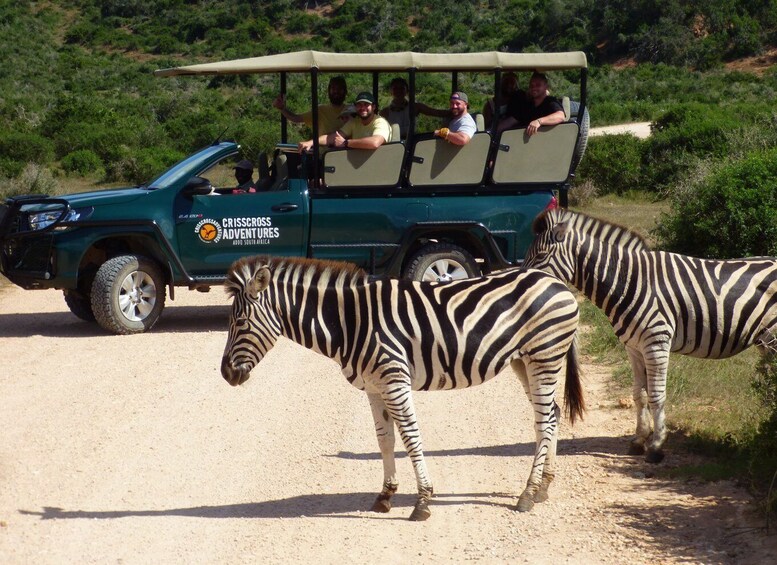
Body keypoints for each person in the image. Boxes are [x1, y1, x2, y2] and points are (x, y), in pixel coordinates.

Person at [297, 91, 392, 153]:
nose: (363, 108)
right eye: (359, 105)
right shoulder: (355, 122)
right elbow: (333, 137)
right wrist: (310, 143)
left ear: (374, 107)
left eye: (366, 104)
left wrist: (346, 143)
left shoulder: (380, 122)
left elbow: (375, 142)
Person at [272, 76, 347, 135]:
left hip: (348, 153)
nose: (336, 91)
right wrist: (282, 108)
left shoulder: (351, 110)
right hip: (325, 153)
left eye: (339, 88)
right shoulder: (320, 110)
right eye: (333, 88)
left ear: (345, 91)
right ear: (329, 90)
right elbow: (296, 118)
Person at [497, 72, 565, 136]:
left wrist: (539, 121)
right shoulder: (527, 105)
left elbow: (560, 116)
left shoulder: (550, 102)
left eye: (538, 85)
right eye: (531, 85)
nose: (534, 88)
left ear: (546, 87)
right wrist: (494, 130)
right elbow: (514, 119)